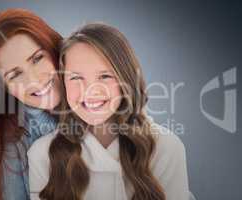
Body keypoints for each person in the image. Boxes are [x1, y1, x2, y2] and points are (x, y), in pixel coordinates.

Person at [28, 23, 190, 200]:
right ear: (63, 82)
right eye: (75, 77)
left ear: (125, 79)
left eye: (105, 76)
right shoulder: (42, 154)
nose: (90, 90)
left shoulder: (165, 148)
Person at [0, 9, 61, 200]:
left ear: (52, 48)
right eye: (15, 75)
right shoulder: (13, 148)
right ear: (5, 88)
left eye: (37, 59)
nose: (34, 80)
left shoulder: (101, 99)